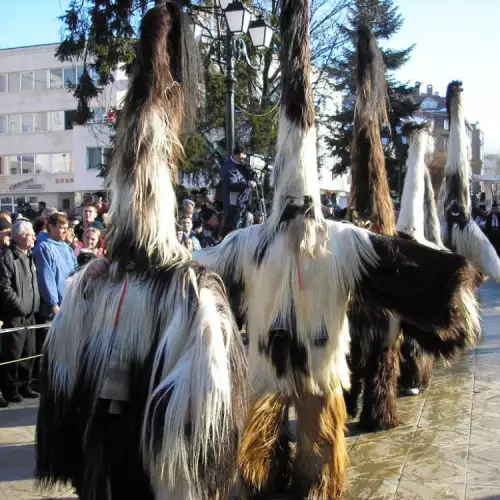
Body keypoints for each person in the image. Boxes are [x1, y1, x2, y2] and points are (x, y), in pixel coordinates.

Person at [193, 11, 480, 500]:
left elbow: (398, 261)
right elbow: (201, 268)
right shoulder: (259, 242)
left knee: (320, 451)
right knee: (256, 457)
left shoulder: (332, 242)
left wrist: (449, 280)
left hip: (319, 368)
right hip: (268, 368)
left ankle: (310, 486)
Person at [36, 6, 248, 500]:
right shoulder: (95, 284)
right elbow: (61, 380)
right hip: (108, 457)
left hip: (149, 468)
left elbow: (211, 402)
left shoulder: (182, 291)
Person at [0, 221, 40, 405]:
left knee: (29, 353)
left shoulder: (29, 255)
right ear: (20, 236)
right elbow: (4, 287)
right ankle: (11, 389)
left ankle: (26, 386)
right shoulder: (8, 257)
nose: (34, 237)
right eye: (31, 234)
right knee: (12, 355)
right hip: (15, 315)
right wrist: (20, 306)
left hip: (30, 314)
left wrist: (33, 305)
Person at [33, 213, 77, 320]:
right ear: (51, 227)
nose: (66, 232)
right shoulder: (43, 248)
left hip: (69, 304)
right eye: (62, 228)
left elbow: (75, 273)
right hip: (53, 312)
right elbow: (46, 278)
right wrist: (53, 305)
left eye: (67, 228)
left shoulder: (67, 248)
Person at [220, 144, 255, 231]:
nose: (242, 160)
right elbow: (232, 185)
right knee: (235, 229)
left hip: (244, 203)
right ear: (236, 155)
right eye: (241, 158)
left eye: (244, 158)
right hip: (233, 205)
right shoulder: (228, 167)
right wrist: (247, 184)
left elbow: (251, 177)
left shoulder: (243, 166)